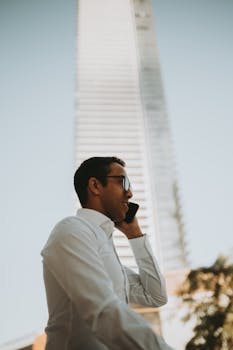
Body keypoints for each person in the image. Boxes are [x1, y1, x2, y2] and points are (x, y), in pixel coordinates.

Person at [41, 156, 174, 350]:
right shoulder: (72, 231)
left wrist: (135, 236)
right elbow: (104, 311)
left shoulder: (104, 248)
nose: (130, 193)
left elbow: (155, 296)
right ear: (95, 185)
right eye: (123, 182)